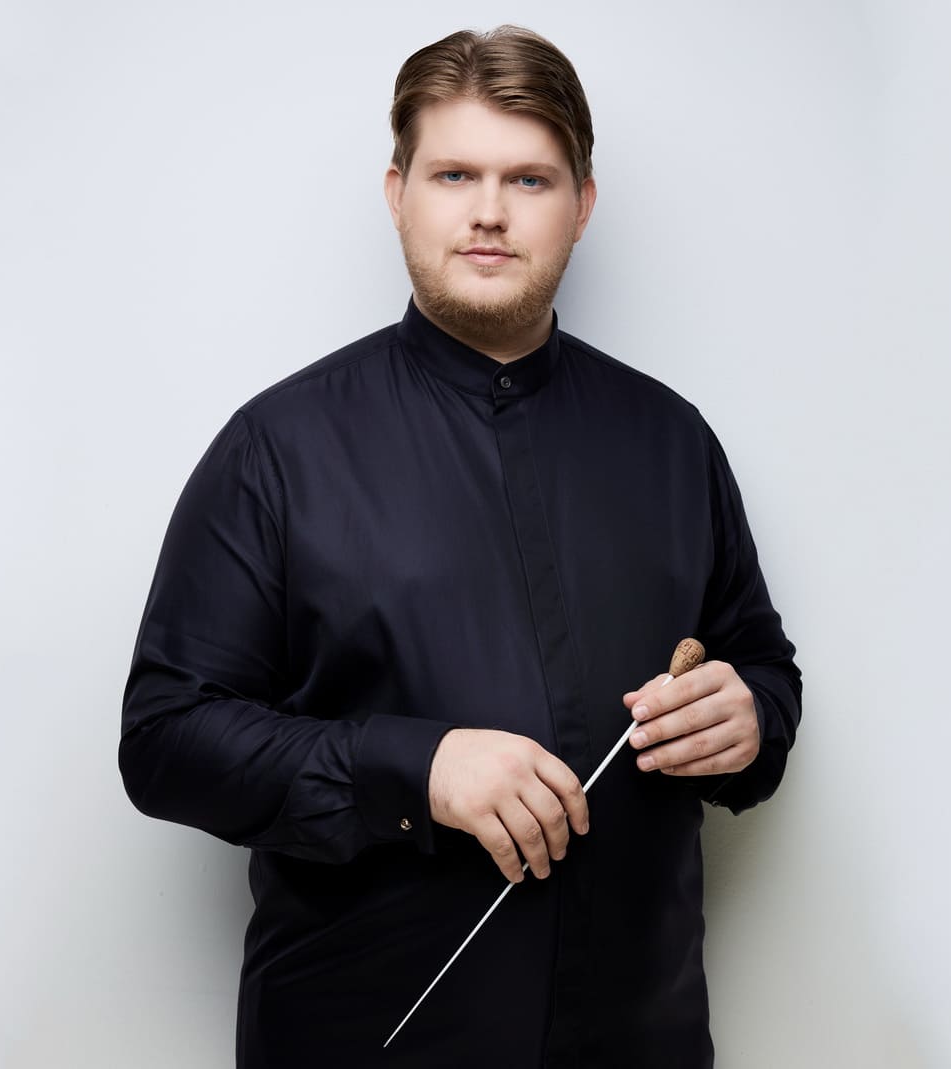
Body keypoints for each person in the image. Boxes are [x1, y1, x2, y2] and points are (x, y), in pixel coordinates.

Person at [119, 24, 802, 1069]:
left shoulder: (674, 442)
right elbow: (165, 740)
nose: (489, 210)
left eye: (528, 178)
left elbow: (762, 667)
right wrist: (416, 768)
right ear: (398, 194)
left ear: (582, 204)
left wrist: (749, 715)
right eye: (454, 175)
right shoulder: (275, 450)